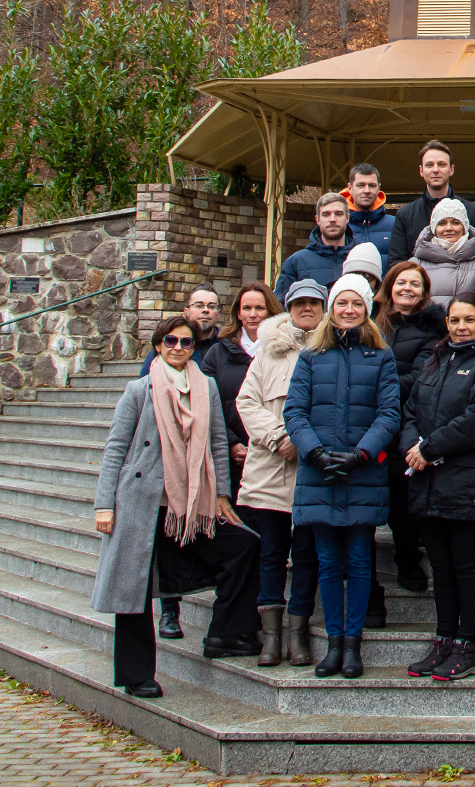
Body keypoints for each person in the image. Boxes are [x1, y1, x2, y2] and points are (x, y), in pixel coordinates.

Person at [91, 316, 261, 699]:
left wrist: (220, 494)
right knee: (132, 592)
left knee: (244, 545)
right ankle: (137, 675)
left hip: (193, 505)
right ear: (157, 345)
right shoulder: (140, 390)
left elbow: (218, 442)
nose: (179, 348)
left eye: (186, 342)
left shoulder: (207, 388)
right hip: (143, 502)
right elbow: (115, 448)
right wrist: (105, 505)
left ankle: (224, 632)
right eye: (171, 341)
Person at [284, 273, 401, 678]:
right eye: (341, 303)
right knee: (327, 563)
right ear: (330, 309)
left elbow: (389, 413)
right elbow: (294, 411)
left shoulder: (381, 356)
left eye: (356, 304)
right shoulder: (310, 357)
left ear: (366, 309)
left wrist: (361, 453)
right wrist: (314, 452)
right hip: (319, 473)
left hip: (361, 472)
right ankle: (333, 644)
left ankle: (354, 645)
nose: (348, 310)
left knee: (359, 561)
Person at [401, 294, 475, 682]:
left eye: (469, 320)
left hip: (467, 478)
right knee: (441, 567)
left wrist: (430, 449)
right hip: (428, 481)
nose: (461, 327)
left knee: (465, 566)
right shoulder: (436, 358)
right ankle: (443, 639)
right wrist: (413, 448)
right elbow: (411, 410)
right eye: (454, 320)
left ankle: (467, 645)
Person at [234, 280, 326, 669]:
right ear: (288, 308)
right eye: (299, 303)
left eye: (314, 303)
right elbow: (247, 401)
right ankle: (270, 637)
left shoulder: (330, 348)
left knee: (306, 556)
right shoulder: (267, 352)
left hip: (312, 471)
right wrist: (277, 438)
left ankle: (297, 633)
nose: (307, 308)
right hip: (271, 469)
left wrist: (302, 441)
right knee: (271, 553)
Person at [139, 284, 218, 639]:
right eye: (198, 305)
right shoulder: (153, 369)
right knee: (168, 541)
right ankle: (169, 609)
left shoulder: (218, 351)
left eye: (212, 306)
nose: (205, 310)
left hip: (205, 461)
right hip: (167, 463)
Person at [374, 260, 445, 593]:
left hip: (406, 422)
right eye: (401, 283)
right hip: (367, 422)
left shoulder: (433, 331)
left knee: (402, 505)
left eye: (414, 284)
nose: (407, 289)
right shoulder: (373, 324)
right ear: (390, 286)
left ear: (424, 292)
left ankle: (408, 560)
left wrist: (369, 382)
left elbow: (419, 378)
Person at [200, 282, 281, 512]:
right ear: (238, 313)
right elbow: (205, 402)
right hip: (230, 456)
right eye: (247, 308)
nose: (253, 315)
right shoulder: (218, 351)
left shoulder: (282, 350)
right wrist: (231, 441)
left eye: (260, 308)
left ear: (271, 311)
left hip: (271, 455)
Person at [389, 141, 475, 265]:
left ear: (451, 169)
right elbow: (397, 263)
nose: (435, 170)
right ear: (421, 171)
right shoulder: (405, 215)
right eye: (429, 165)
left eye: (441, 164)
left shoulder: (473, 212)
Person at [275, 193, 356, 303]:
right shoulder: (296, 262)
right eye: (326, 214)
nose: (332, 219)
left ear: (347, 218)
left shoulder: (359, 258)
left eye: (338, 214)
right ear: (317, 220)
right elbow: (280, 305)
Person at [411, 198, 475, 306]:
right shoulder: (415, 264)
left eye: (455, 222)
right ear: (434, 229)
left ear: (464, 228)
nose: (448, 228)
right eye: (442, 223)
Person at [344, 164, 398, 263]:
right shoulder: (340, 225)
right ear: (350, 188)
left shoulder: (395, 225)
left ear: (379, 188)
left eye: (372, 185)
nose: (367, 191)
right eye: (360, 185)